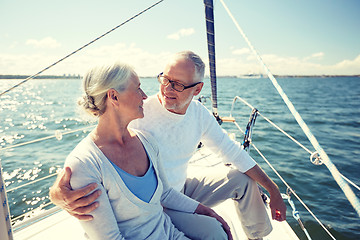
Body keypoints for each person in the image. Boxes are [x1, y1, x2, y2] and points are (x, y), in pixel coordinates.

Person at [50, 51, 286, 240]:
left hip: (175, 191)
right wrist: (57, 191)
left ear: (197, 89)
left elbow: (232, 152)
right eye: (165, 80)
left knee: (241, 181)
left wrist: (273, 189)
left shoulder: (196, 115)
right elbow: (97, 152)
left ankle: (257, 236)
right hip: (155, 206)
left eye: (177, 85)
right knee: (214, 231)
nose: (165, 89)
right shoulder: (139, 112)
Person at [61, 61, 231, 240]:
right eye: (138, 89)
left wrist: (208, 212)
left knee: (218, 233)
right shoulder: (85, 164)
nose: (144, 96)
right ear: (114, 97)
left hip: (170, 234)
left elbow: (165, 193)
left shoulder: (146, 141)